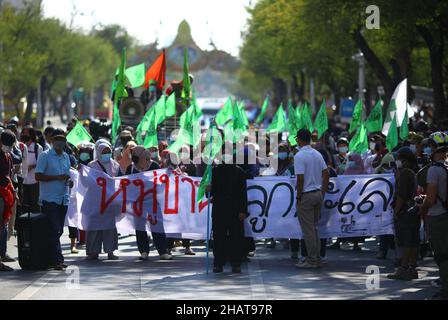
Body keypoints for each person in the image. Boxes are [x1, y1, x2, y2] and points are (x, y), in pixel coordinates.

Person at [35, 129, 72, 271]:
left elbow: (67, 175)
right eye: (56, 141)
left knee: (58, 231)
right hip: (49, 199)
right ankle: (57, 260)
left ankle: (50, 258)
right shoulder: (45, 156)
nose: (59, 143)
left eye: (62, 141)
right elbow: (38, 176)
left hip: (63, 198)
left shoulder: (66, 157)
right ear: (52, 142)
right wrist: (56, 178)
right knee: (54, 229)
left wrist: (69, 181)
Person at [126, 146, 172, 261]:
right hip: (138, 203)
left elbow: (160, 182)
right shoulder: (131, 168)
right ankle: (143, 251)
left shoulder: (154, 166)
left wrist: (169, 174)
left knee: (157, 225)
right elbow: (124, 183)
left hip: (153, 201)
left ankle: (162, 251)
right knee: (140, 227)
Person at [418, 132, 448, 299]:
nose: (427, 149)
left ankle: (445, 288)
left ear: (435, 148)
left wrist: (420, 202)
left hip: (437, 216)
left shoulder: (434, 171)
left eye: (429, 146)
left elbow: (429, 200)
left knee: (442, 255)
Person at [294, 129, 329, 269]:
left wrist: (298, 196)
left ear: (299, 139)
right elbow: (326, 174)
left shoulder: (299, 156)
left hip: (306, 195)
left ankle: (312, 260)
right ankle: (317, 258)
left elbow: (300, 178)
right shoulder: (317, 153)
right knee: (314, 229)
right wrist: (322, 193)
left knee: (308, 230)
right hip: (317, 194)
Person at [209, 147, 248, 273]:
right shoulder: (214, 171)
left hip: (235, 209)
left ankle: (236, 262)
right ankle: (218, 263)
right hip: (219, 208)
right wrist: (208, 189)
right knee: (219, 235)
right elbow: (210, 193)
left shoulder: (239, 172)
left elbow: (243, 194)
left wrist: (243, 210)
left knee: (235, 236)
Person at [387, 146, 420, 281]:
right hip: (414, 211)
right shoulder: (412, 171)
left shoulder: (405, 173)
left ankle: (403, 268)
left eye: (398, 158)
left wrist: (396, 211)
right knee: (413, 240)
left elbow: (401, 195)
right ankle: (412, 268)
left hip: (405, 212)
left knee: (405, 241)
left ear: (405, 160)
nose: (396, 161)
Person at [86, 141, 120, 260]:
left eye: (108, 151)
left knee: (109, 227)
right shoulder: (91, 165)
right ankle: (93, 251)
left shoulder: (115, 165)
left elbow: (120, 181)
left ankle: (110, 251)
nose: (106, 154)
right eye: (104, 152)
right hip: (95, 201)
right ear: (99, 153)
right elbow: (87, 182)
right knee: (94, 227)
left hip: (110, 201)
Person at [0, 130, 17, 271]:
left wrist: (14, 191)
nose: (8, 147)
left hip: (6, 194)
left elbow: (9, 175)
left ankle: (3, 253)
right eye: (6, 145)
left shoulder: (8, 155)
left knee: (4, 225)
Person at [20, 126, 43, 213]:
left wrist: (32, 166)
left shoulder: (38, 148)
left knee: (35, 204)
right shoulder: (20, 146)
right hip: (23, 181)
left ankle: (36, 225)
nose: (25, 135)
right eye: (23, 133)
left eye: (27, 133)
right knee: (24, 205)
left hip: (34, 181)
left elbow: (41, 164)